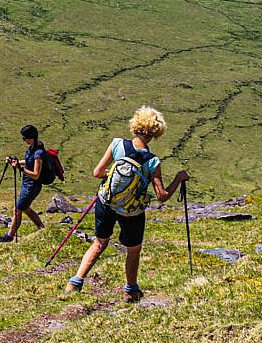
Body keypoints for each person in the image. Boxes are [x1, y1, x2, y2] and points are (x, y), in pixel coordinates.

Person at [65, 106, 190, 302]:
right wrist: (179, 178)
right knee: (133, 250)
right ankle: (131, 289)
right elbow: (162, 196)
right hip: (131, 212)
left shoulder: (117, 144)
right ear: (156, 132)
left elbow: (97, 173)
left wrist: (115, 173)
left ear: (135, 125)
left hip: (106, 203)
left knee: (99, 243)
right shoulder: (152, 161)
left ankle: (75, 282)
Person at [0, 125, 46, 243]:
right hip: (27, 184)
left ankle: (9, 236)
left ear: (31, 138)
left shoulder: (39, 153)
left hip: (32, 186)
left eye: (25, 138)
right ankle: (41, 228)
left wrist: (20, 168)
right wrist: (16, 162)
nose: (24, 140)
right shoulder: (34, 147)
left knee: (18, 209)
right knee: (25, 208)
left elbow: (36, 174)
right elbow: (29, 161)